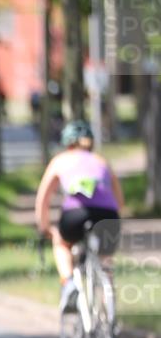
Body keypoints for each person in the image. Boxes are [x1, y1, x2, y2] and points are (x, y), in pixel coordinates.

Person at [35, 119, 125, 310]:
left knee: (61, 241)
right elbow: (120, 201)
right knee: (105, 259)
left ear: (67, 143)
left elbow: (43, 198)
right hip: (108, 216)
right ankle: (108, 312)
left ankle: (68, 283)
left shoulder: (60, 160)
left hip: (76, 214)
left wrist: (44, 227)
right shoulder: (102, 161)